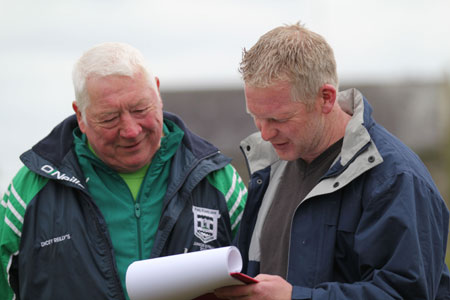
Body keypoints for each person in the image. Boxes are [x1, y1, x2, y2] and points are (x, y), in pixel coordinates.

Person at [214, 23, 450, 299]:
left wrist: (295, 297)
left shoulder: (395, 179)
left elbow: (407, 294)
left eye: (279, 119)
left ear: (326, 98)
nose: (264, 134)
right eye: (255, 115)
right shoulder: (269, 169)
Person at [0, 42, 248, 300]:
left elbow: (263, 277)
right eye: (109, 118)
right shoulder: (30, 190)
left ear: (158, 94)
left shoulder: (218, 179)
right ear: (81, 116)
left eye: (141, 109)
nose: (130, 130)